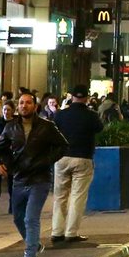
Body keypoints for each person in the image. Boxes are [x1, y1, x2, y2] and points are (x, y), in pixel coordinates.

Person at [0, 91, 68, 257]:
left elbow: (63, 145)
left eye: (28, 103)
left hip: (39, 179)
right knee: (18, 218)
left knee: (30, 217)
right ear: (17, 106)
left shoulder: (46, 126)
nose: (24, 105)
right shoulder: (10, 127)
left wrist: (47, 161)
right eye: (21, 103)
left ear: (35, 106)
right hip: (19, 178)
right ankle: (34, 244)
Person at [51, 86, 104, 245]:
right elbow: (99, 128)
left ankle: (56, 232)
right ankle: (71, 233)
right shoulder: (91, 116)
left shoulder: (61, 115)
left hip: (62, 158)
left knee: (60, 196)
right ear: (87, 98)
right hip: (83, 158)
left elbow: (54, 130)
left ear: (71, 97)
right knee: (77, 196)